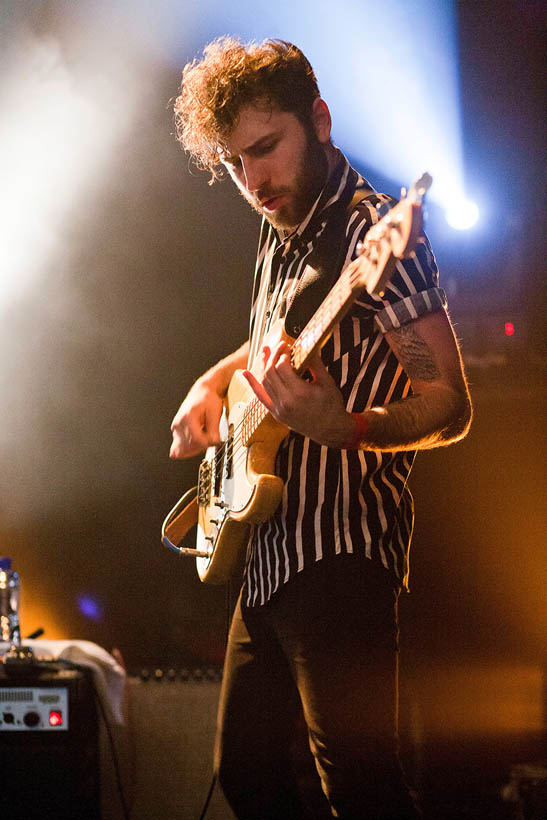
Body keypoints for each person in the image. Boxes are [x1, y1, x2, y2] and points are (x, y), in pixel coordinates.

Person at [170, 37, 472, 819]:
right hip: (266, 548)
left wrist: (349, 426)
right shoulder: (279, 228)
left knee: (363, 792)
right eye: (235, 164)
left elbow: (450, 404)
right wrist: (212, 383)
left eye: (265, 150)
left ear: (321, 120)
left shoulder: (378, 237)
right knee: (246, 777)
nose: (253, 181)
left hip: (341, 549)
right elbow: (272, 337)